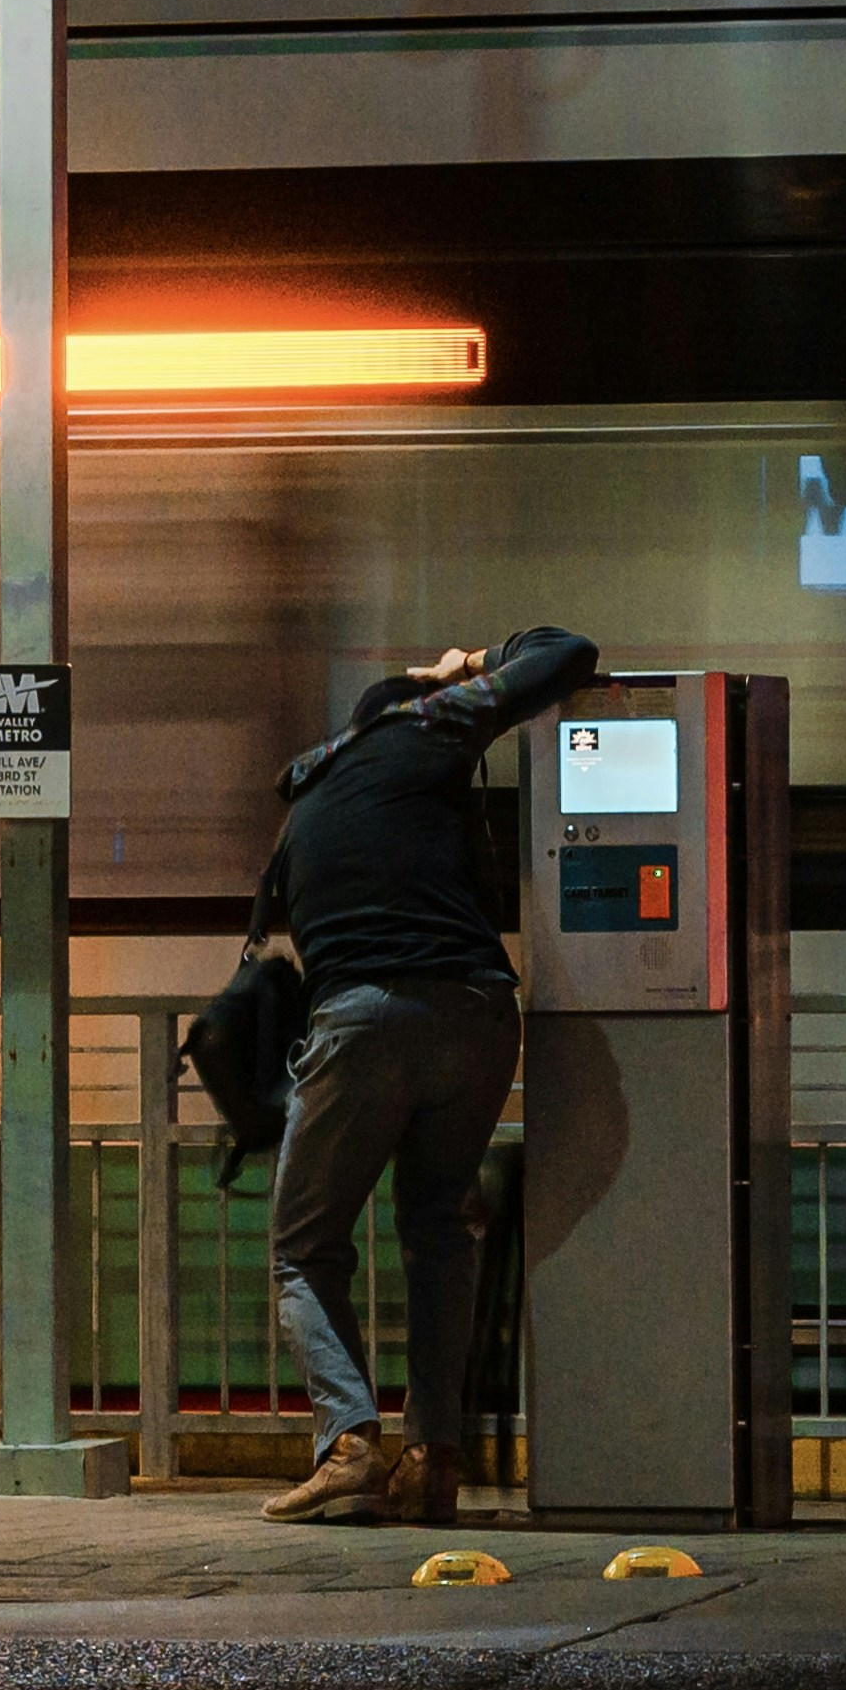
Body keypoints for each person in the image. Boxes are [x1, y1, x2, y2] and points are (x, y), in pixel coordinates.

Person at [259, 625, 600, 1527]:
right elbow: (571, 652)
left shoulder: (305, 809)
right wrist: (476, 665)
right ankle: (432, 1459)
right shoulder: (426, 730)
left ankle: (349, 1443)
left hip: (363, 1022)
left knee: (305, 1246)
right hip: (481, 1013)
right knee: (439, 1225)